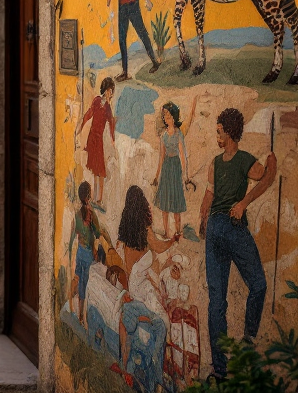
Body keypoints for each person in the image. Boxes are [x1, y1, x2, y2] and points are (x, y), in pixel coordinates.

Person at [199, 107, 277, 384]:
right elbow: (265, 179)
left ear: (229, 132)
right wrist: (272, 166)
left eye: (219, 131)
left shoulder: (228, 161)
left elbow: (208, 200)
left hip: (220, 229)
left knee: (217, 303)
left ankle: (219, 371)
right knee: (257, 285)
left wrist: (204, 221)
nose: (216, 135)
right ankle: (247, 342)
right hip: (228, 227)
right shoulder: (232, 161)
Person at [117, 185, 177, 391]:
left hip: (134, 288)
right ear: (142, 205)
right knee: (165, 322)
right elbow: (159, 247)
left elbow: (129, 268)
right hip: (143, 290)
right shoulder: (145, 230)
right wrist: (173, 240)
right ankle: (158, 369)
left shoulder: (126, 233)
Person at [68, 180, 110, 326]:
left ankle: (78, 313)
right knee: (87, 285)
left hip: (80, 251)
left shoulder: (77, 214)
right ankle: (85, 316)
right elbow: (98, 232)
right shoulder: (91, 214)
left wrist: (69, 253)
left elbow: (73, 235)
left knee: (79, 279)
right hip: (88, 255)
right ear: (88, 196)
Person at [151, 101, 193, 238]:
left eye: (168, 116)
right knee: (164, 203)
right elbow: (161, 157)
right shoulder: (163, 135)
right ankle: (166, 232)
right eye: (165, 116)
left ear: (174, 117)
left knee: (175, 201)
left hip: (175, 168)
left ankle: (178, 231)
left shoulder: (178, 134)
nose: (166, 119)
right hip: (166, 168)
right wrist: (157, 176)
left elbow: (183, 156)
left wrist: (186, 176)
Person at [80, 76, 117, 209]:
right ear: (106, 90)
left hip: (99, 140)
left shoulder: (107, 107)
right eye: (111, 90)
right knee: (96, 170)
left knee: (100, 170)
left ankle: (99, 199)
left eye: (112, 91)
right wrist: (80, 127)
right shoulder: (97, 101)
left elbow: (111, 123)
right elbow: (88, 114)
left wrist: (113, 139)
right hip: (92, 138)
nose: (111, 93)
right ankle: (96, 199)